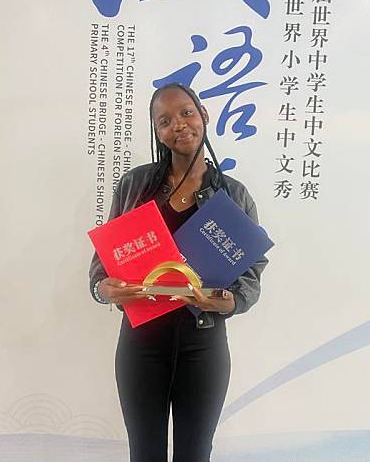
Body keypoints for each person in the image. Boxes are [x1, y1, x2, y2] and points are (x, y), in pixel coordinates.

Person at [89, 83, 267, 462]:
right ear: (157, 132)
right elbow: (101, 268)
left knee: (195, 454)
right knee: (145, 454)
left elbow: (252, 271)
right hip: (142, 344)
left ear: (204, 114)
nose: (179, 125)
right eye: (165, 120)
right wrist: (105, 289)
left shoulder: (232, 196)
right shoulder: (135, 185)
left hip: (203, 346)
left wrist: (227, 300)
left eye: (186, 112)